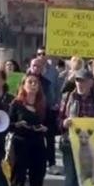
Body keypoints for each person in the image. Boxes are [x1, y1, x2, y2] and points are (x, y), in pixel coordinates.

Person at [8, 73, 49, 186]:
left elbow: (53, 127)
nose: (33, 85)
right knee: (17, 183)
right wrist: (17, 124)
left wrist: (45, 129)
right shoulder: (16, 104)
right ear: (23, 85)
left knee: (37, 184)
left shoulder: (42, 105)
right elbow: (7, 125)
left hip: (38, 147)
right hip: (20, 145)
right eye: (30, 82)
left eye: (36, 83)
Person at [35, 47, 62, 175]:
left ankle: (51, 163)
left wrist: (57, 103)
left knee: (49, 137)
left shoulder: (54, 72)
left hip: (49, 108)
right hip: (34, 110)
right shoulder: (31, 72)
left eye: (43, 54)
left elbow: (57, 89)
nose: (41, 56)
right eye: (39, 54)